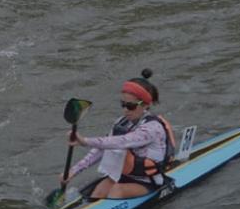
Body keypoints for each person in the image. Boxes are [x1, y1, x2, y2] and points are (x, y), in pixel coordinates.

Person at [63, 69, 176, 199]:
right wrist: (73, 171)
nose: (125, 110)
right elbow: (101, 148)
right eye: (123, 104)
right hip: (124, 175)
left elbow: (122, 142)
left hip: (149, 181)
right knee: (97, 193)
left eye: (130, 106)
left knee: (116, 191)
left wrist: (85, 141)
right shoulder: (122, 123)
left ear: (145, 105)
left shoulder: (152, 128)